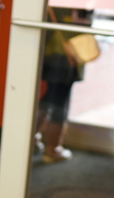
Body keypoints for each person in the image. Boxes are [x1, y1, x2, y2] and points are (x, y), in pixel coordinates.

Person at [35, 8, 92, 164]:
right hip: (64, 58)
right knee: (59, 104)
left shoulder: (54, 5)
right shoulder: (74, 6)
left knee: (47, 100)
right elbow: (77, 29)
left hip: (50, 55)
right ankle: (52, 149)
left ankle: (32, 141)